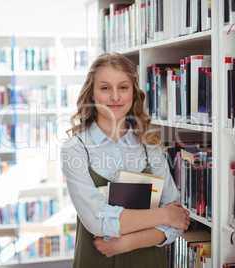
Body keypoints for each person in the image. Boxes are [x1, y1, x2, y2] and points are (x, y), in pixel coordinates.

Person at [61, 52, 190, 268]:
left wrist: (127, 242)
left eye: (123, 87)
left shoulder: (150, 145)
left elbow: (178, 221)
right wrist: (163, 215)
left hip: (148, 261)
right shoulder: (75, 149)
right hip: (97, 261)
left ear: (134, 92)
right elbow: (97, 222)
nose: (115, 97)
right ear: (92, 94)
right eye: (105, 88)